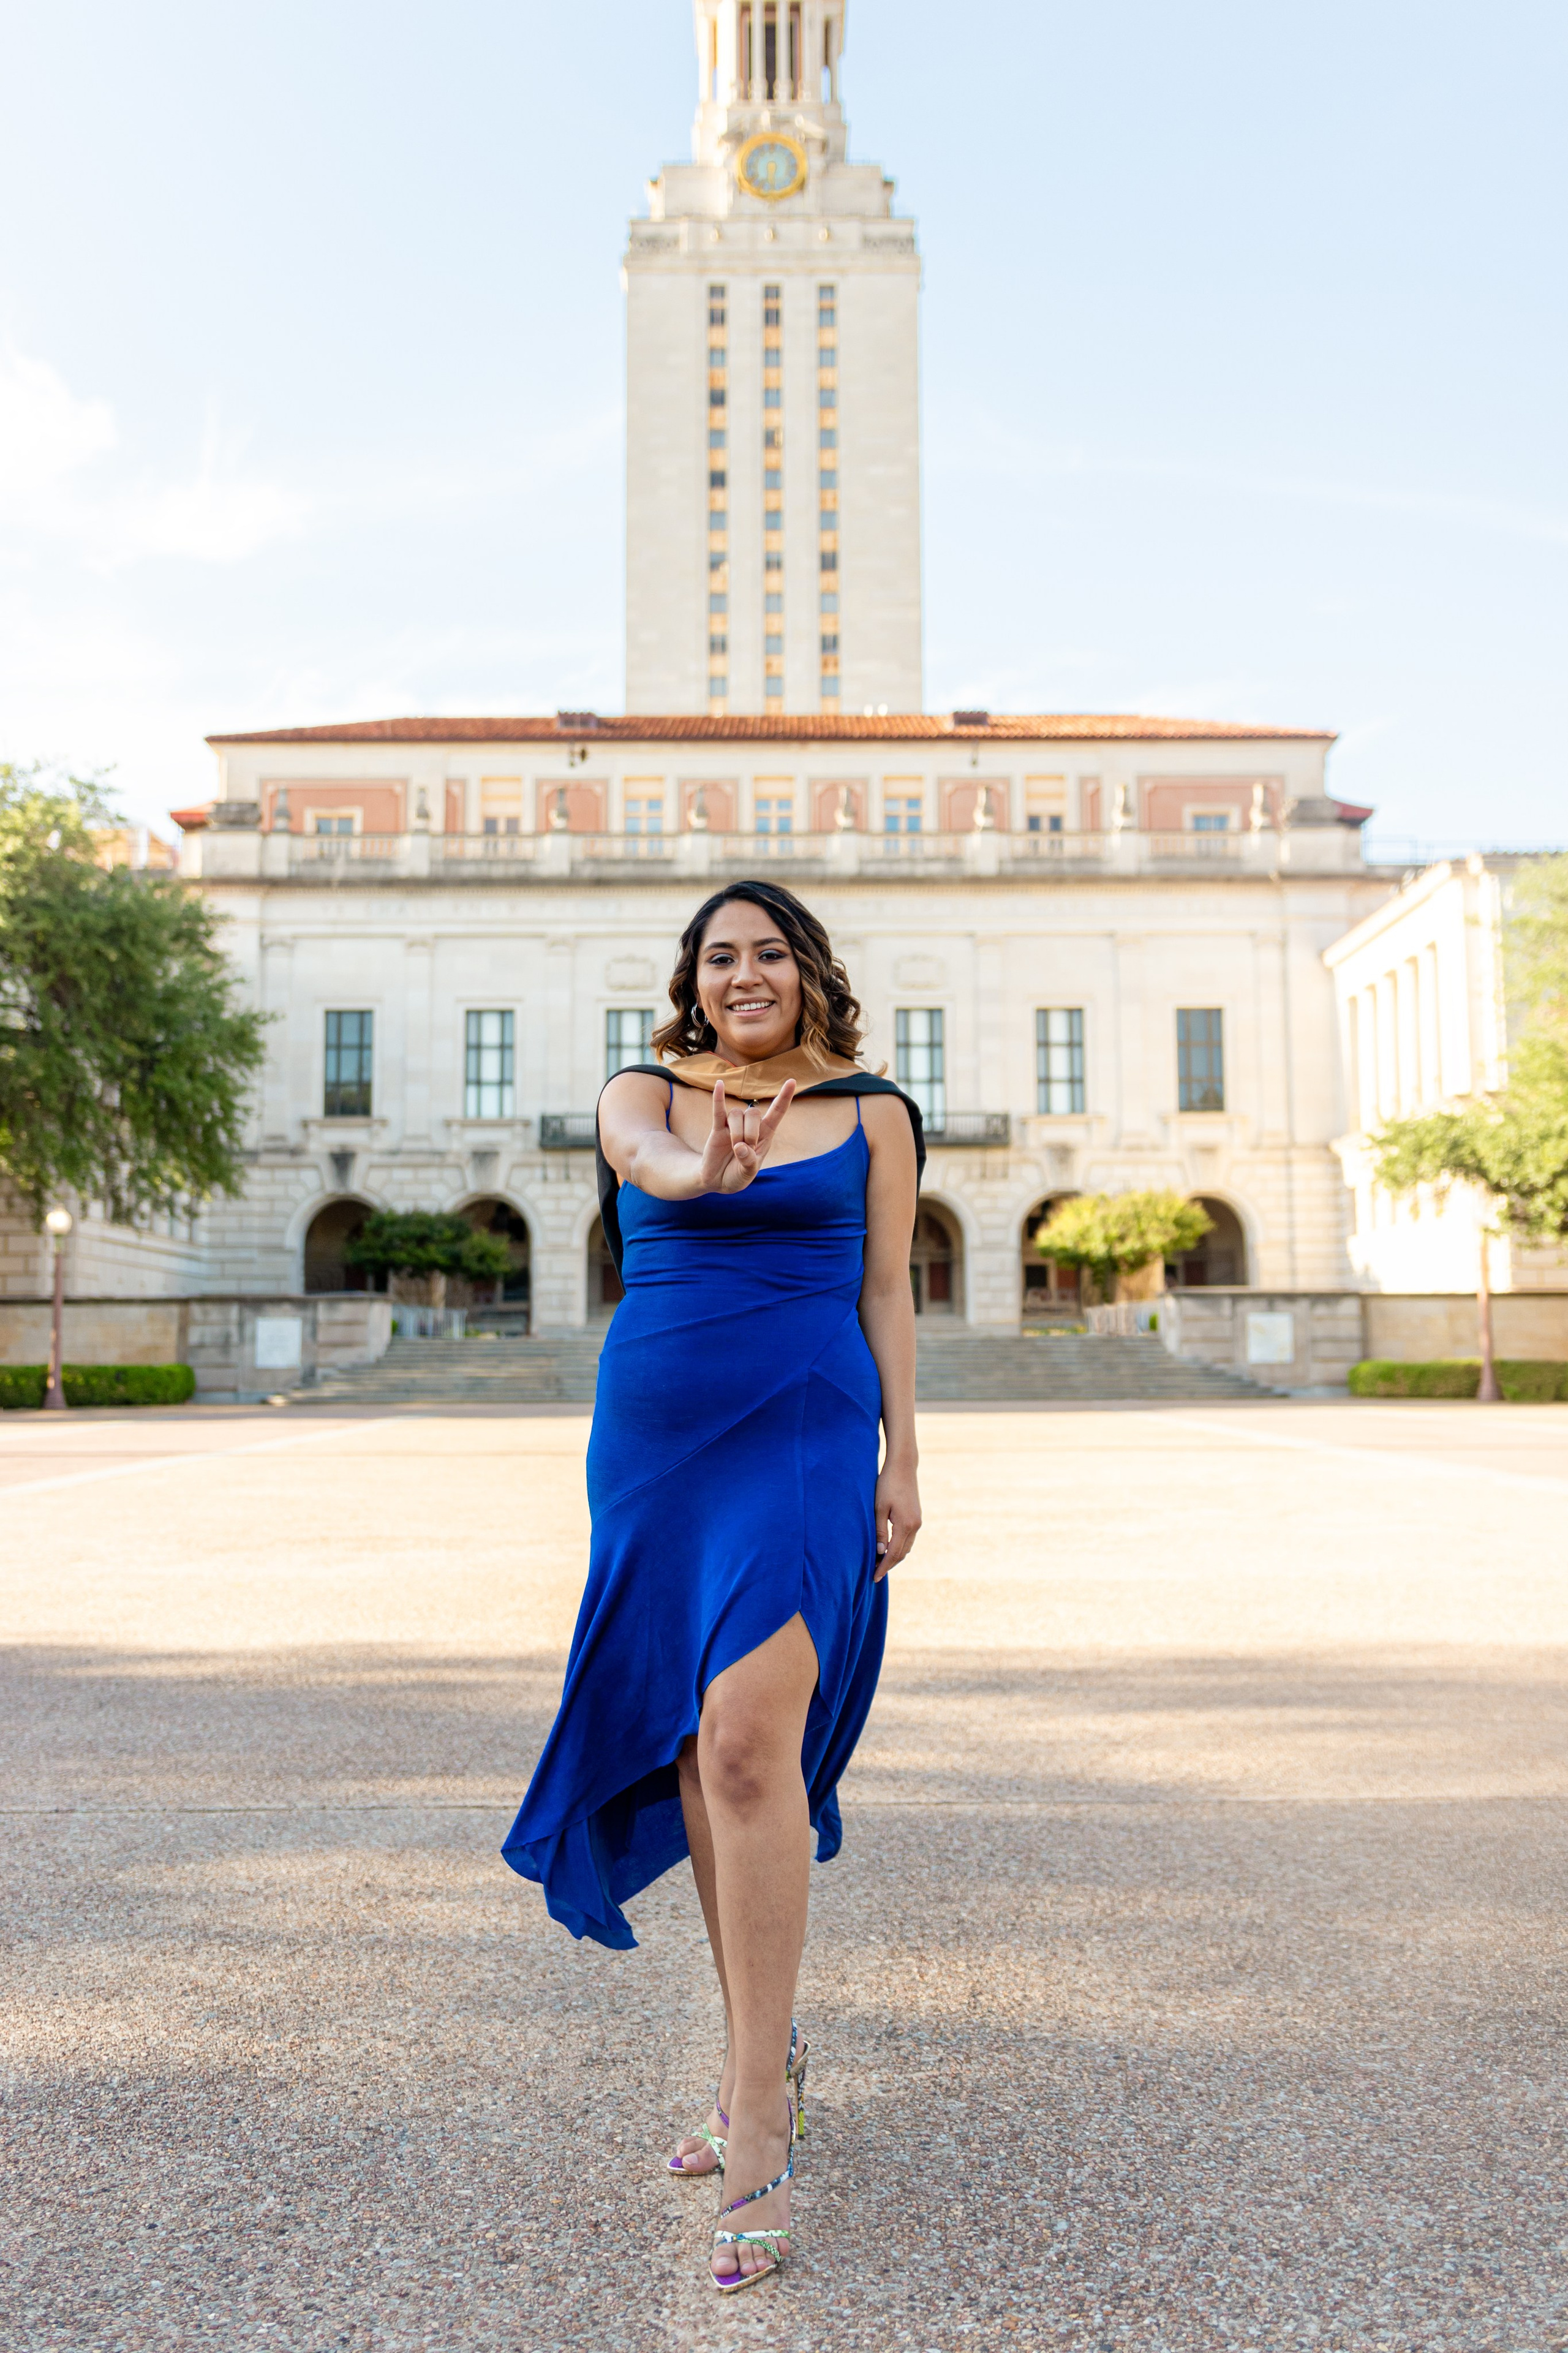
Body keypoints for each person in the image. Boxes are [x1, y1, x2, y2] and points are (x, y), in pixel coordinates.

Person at [502, 877, 923, 2293]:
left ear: (807, 971)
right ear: (692, 978)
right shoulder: (647, 1088)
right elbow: (645, 1165)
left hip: (807, 1423)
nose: (743, 974)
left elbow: (885, 1292)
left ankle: (753, 2121)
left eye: (768, 954)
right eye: (718, 956)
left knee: (750, 1740)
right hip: (660, 1440)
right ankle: (766, 2048)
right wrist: (708, 1168)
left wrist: (904, 1459)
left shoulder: (873, 1112)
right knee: (698, 1754)